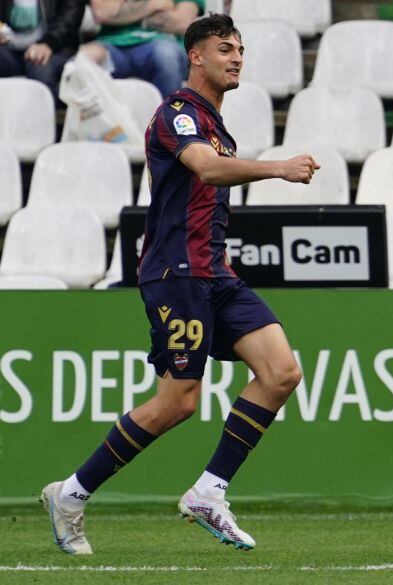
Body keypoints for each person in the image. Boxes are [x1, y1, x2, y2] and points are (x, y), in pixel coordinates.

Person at [41, 13, 321, 555]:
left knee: (282, 371)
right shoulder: (177, 115)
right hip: (176, 274)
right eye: (224, 49)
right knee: (177, 402)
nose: (236, 57)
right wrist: (278, 168)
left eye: (240, 49)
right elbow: (208, 170)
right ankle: (71, 494)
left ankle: (209, 492)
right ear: (195, 56)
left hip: (216, 272)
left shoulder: (216, 123)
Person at [81, 0, 204, 96]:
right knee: (83, 59)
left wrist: (126, 12)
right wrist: (157, 3)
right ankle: (103, 126)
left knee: (166, 56)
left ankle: (168, 124)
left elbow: (180, 23)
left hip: (161, 44)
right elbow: (103, 13)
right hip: (111, 44)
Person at [0, 0, 85, 97]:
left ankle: (54, 110)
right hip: (10, 48)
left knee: (40, 77)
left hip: (55, 47)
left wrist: (49, 42)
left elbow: (72, 12)